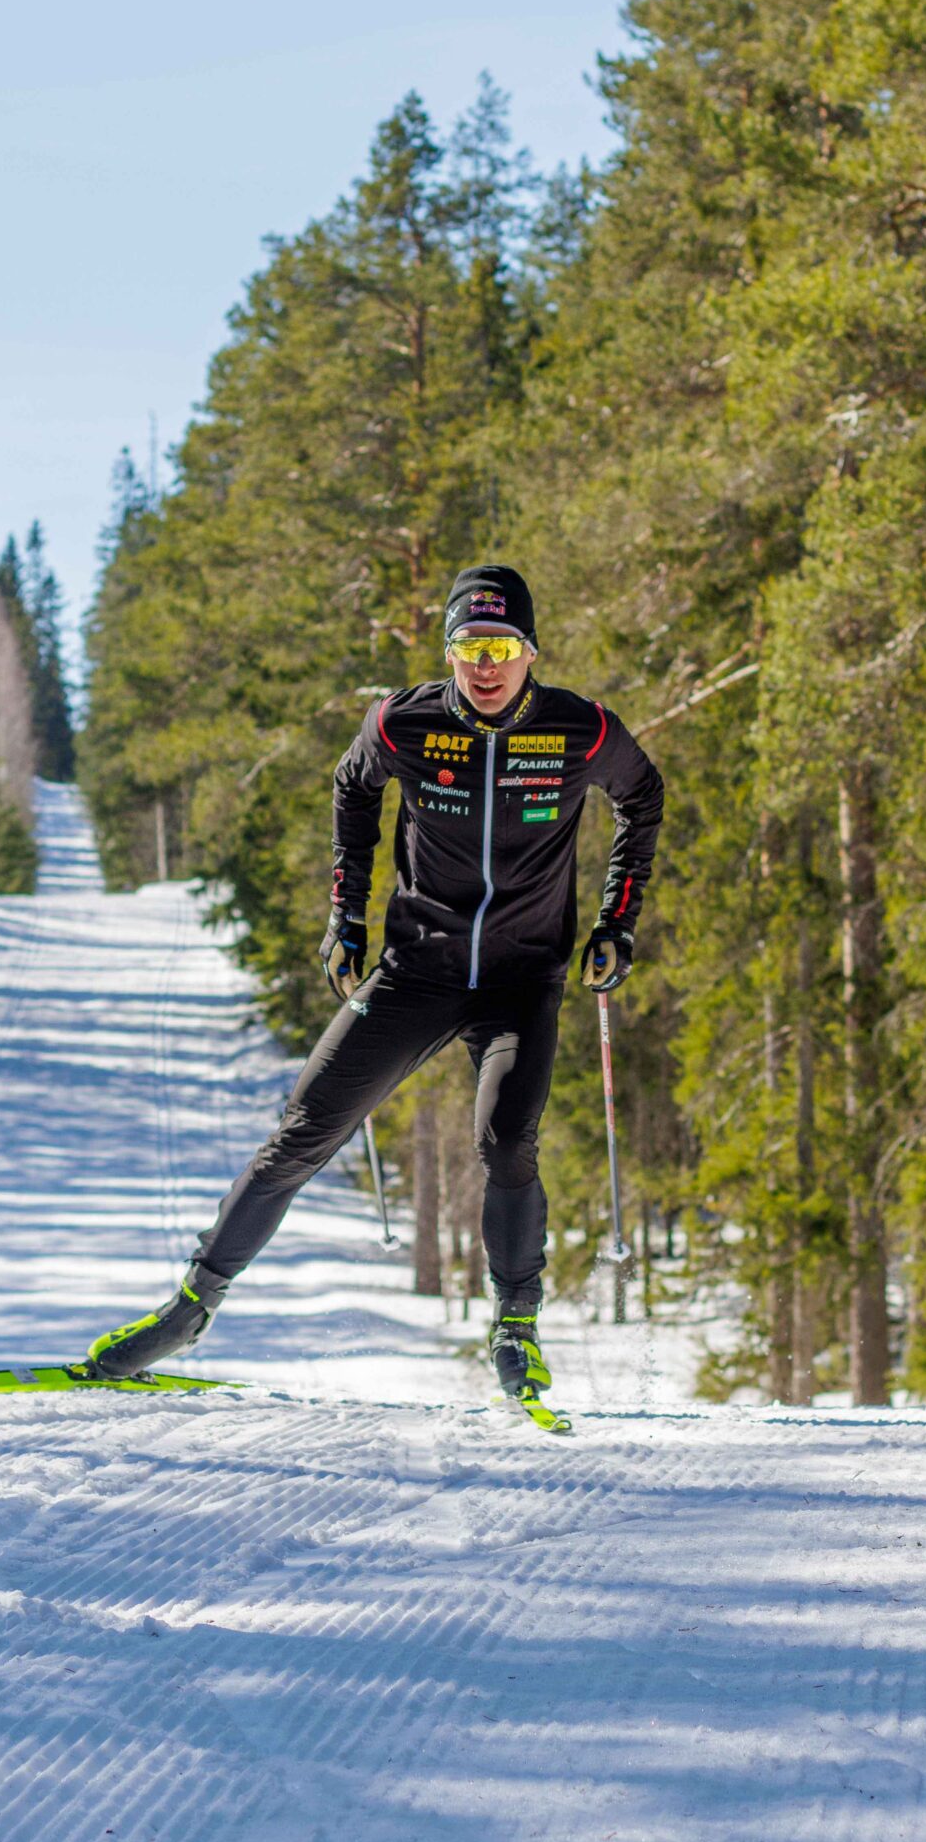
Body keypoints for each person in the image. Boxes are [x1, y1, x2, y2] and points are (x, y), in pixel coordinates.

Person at [84, 562, 665, 1402]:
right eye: (469, 647)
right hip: (414, 972)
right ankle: (189, 1308)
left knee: (505, 1140)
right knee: (301, 1133)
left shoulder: (583, 730)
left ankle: (515, 1328)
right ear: (450, 653)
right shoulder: (403, 722)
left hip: (520, 979)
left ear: (531, 652)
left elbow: (641, 799)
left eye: (502, 646)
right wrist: (344, 917)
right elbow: (352, 790)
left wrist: (617, 921)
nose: (486, 666)